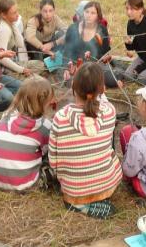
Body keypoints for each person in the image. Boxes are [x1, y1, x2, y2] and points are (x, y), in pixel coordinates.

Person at [49, 63, 122, 219]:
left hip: (74, 189)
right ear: (102, 89)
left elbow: (53, 161)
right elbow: (101, 103)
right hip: (106, 185)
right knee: (111, 154)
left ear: (73, 87)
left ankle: (79, 203)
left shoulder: (61, 117)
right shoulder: (110, 112)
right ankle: (98, 195)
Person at [0, 77, 54, 191]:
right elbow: (49, 152)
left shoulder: (6, 116)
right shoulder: (45, 126)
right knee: (50, 161)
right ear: (45, 102)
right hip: (23, 185)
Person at [63, 1, 118, 87]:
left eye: (93, 13)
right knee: (72, 84)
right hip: (76, 64)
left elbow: (105, 52)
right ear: (83, 13)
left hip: (95, 64)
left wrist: (94, 60)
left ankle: (117, 71)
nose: (89, 15)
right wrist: (67, 68)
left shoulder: (102, 29)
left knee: (112, 81)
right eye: (87, 12)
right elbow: (66, 51)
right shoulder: (73, 28)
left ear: (97, 16)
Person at [0, 0, 44, 77]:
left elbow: (20, 44)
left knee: (39, 64)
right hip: (4, 68)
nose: (18, 15)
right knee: (34, 78)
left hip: (13, 62)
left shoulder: (9, 24)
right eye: (14, 13)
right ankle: (21, 78)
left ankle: (23, 76)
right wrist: (21, 70)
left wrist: (13, 24)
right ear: (3, 15)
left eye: (17, 11)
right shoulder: (4, 30)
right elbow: (1, 58)